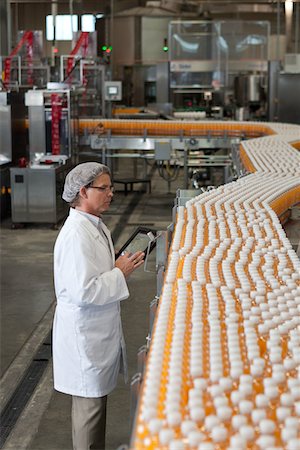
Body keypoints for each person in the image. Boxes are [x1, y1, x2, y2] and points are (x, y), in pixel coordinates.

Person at [52, 162, 144, 450]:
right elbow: (84, 291)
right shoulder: (76, 234)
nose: (111, 193)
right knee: (89, 414)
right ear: (82, 191)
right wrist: (119, 272)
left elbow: (91, 272)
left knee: (96, 407)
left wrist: (114, 261)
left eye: (110, 187)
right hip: (84, 338)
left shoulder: (93, 224)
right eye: (103, 188)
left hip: (97, 333)